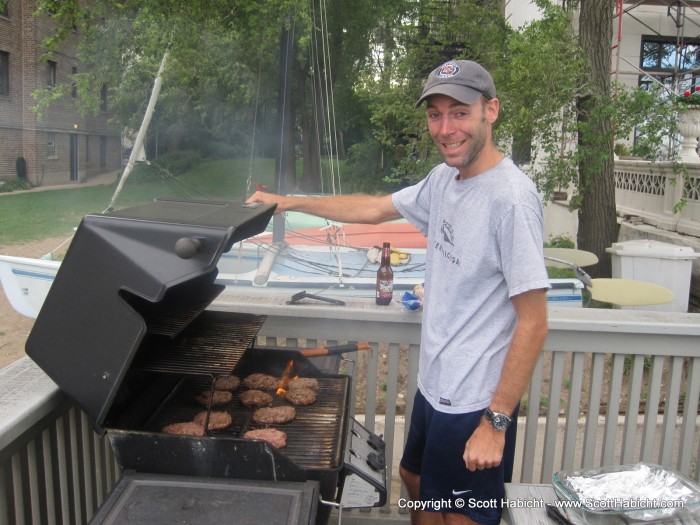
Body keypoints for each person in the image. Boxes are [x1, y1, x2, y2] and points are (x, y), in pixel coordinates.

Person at [246, 59, 550, 525]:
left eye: (459, 112)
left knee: (462, 515)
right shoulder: (444, 180)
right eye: (435, 114)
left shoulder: (511, 199)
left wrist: (496, 423)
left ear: (491, 110)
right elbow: (372, 208)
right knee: (413, 479)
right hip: (434, 387)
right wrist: (288, 201)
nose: (445, 128)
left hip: (472, 400)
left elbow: (533, 320)